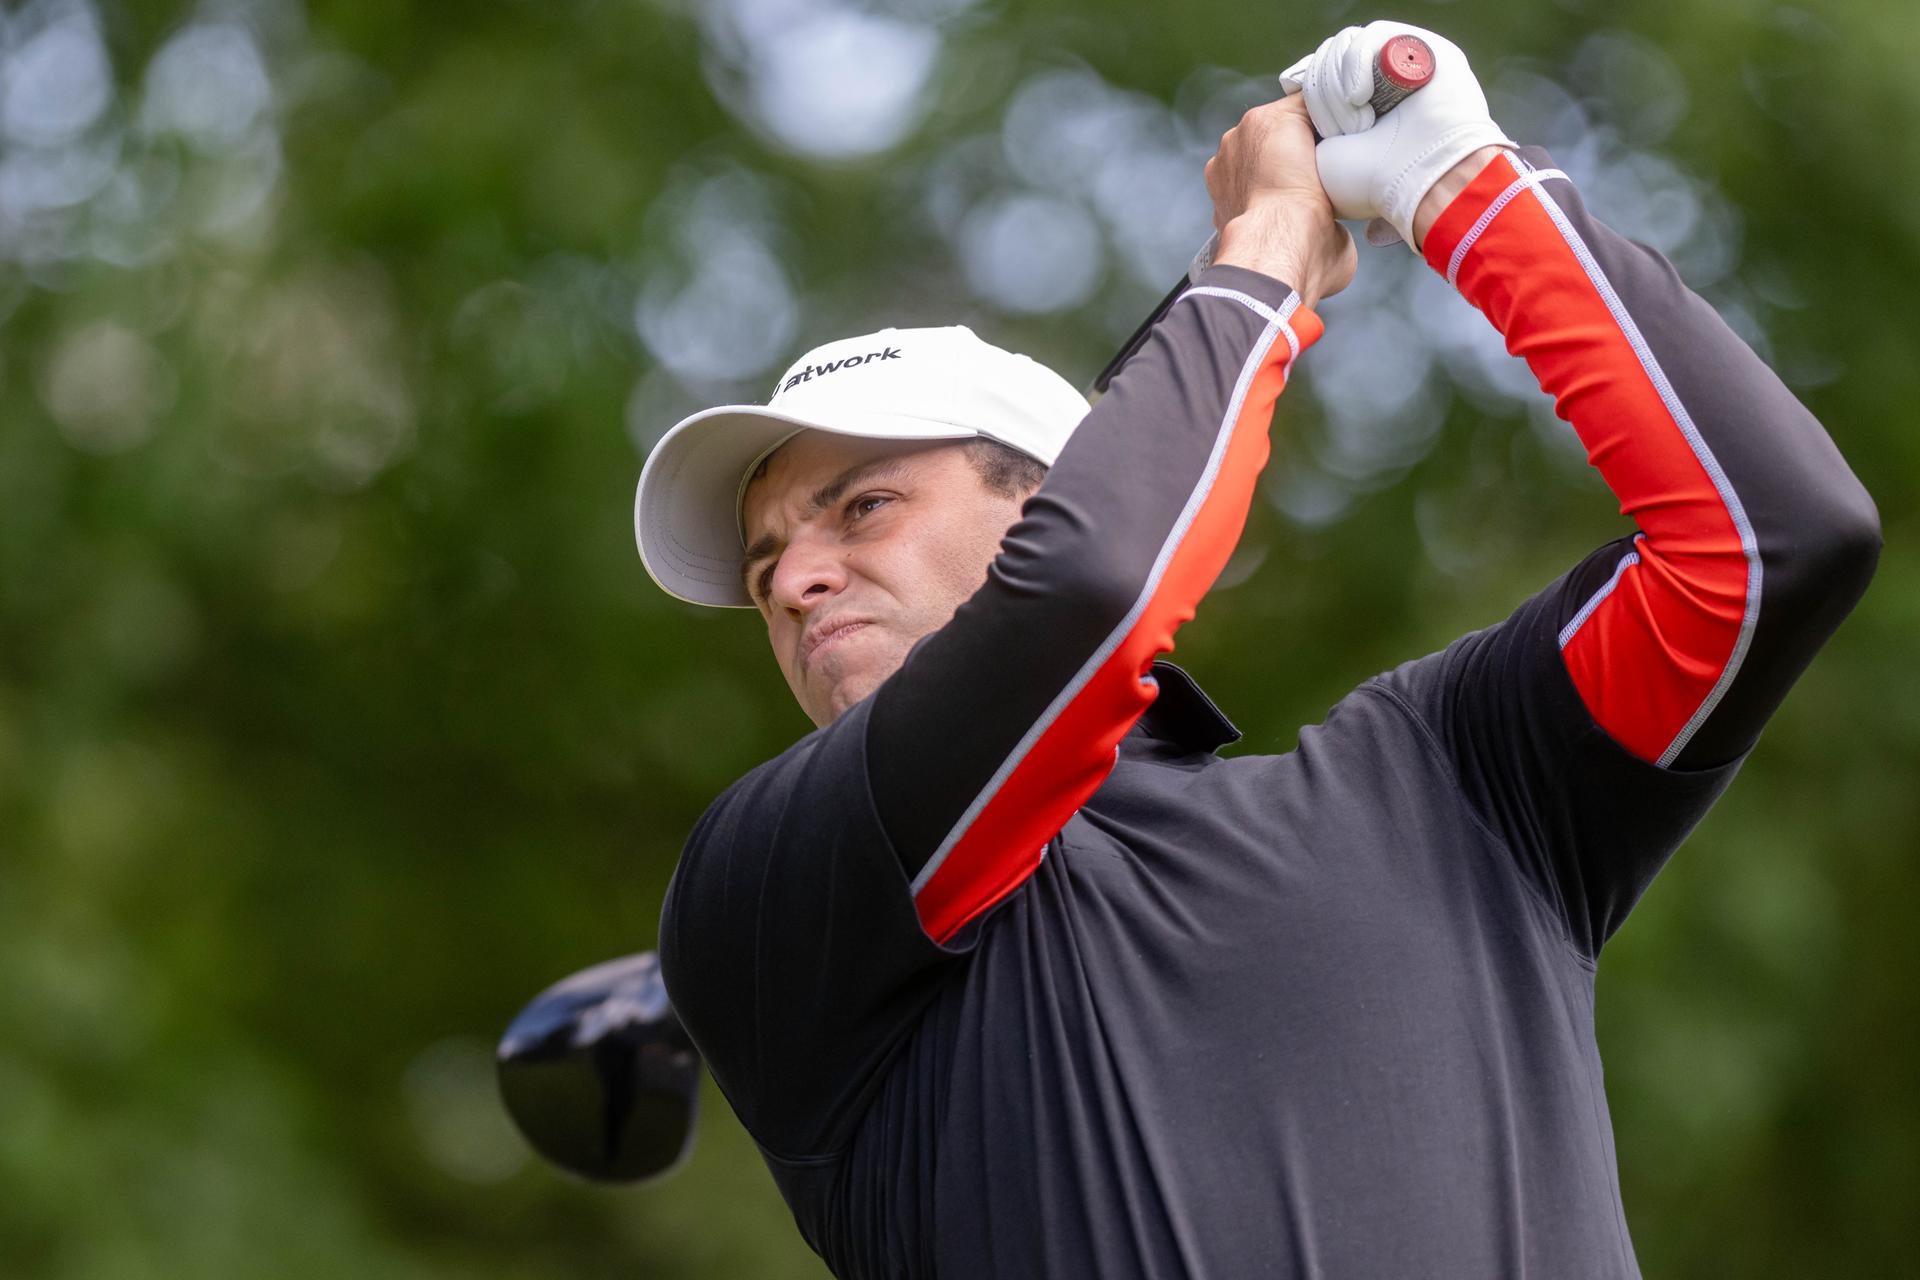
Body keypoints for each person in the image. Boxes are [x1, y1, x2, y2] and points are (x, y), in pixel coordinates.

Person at [633, 20, 1879, 1279]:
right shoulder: (768, 889)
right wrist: (1270, 244)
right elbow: (1094, 592)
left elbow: (1772, 539)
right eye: (764, 565)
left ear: (1044, 498)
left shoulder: (1455, 779)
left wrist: (1459, 183)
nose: (792, 581)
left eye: (862, 506)